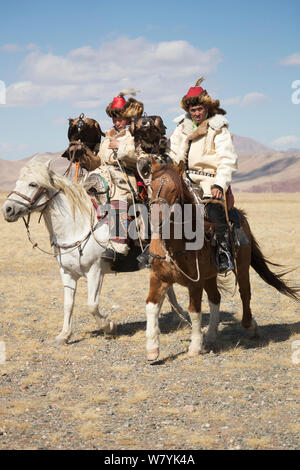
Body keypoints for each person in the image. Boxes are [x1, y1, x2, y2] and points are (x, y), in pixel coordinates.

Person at [168, 77, 238, 273]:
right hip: (183, 179)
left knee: (214, 211)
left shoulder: (218, 128)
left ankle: (224, 253)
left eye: (200, 109)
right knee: (162, 205)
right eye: (193, 110)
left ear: (206, 108)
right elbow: (173, 152)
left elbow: (228, 159)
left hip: (209, 179)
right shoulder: (181, 128)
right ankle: (158, 251)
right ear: (188, 111)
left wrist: (220, 184)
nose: (197, 113)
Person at [89, 89, 144, 262]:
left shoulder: (134, 135)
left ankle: (119, 245)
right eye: (114, 118)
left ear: (128, 118)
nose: (117, 122)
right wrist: (86, 156)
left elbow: (139, 158)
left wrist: (120, 147)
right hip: (103, 175)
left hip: (124, 179)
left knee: (117, 199)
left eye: (120, 118)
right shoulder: (107, 137)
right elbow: (100, 161)